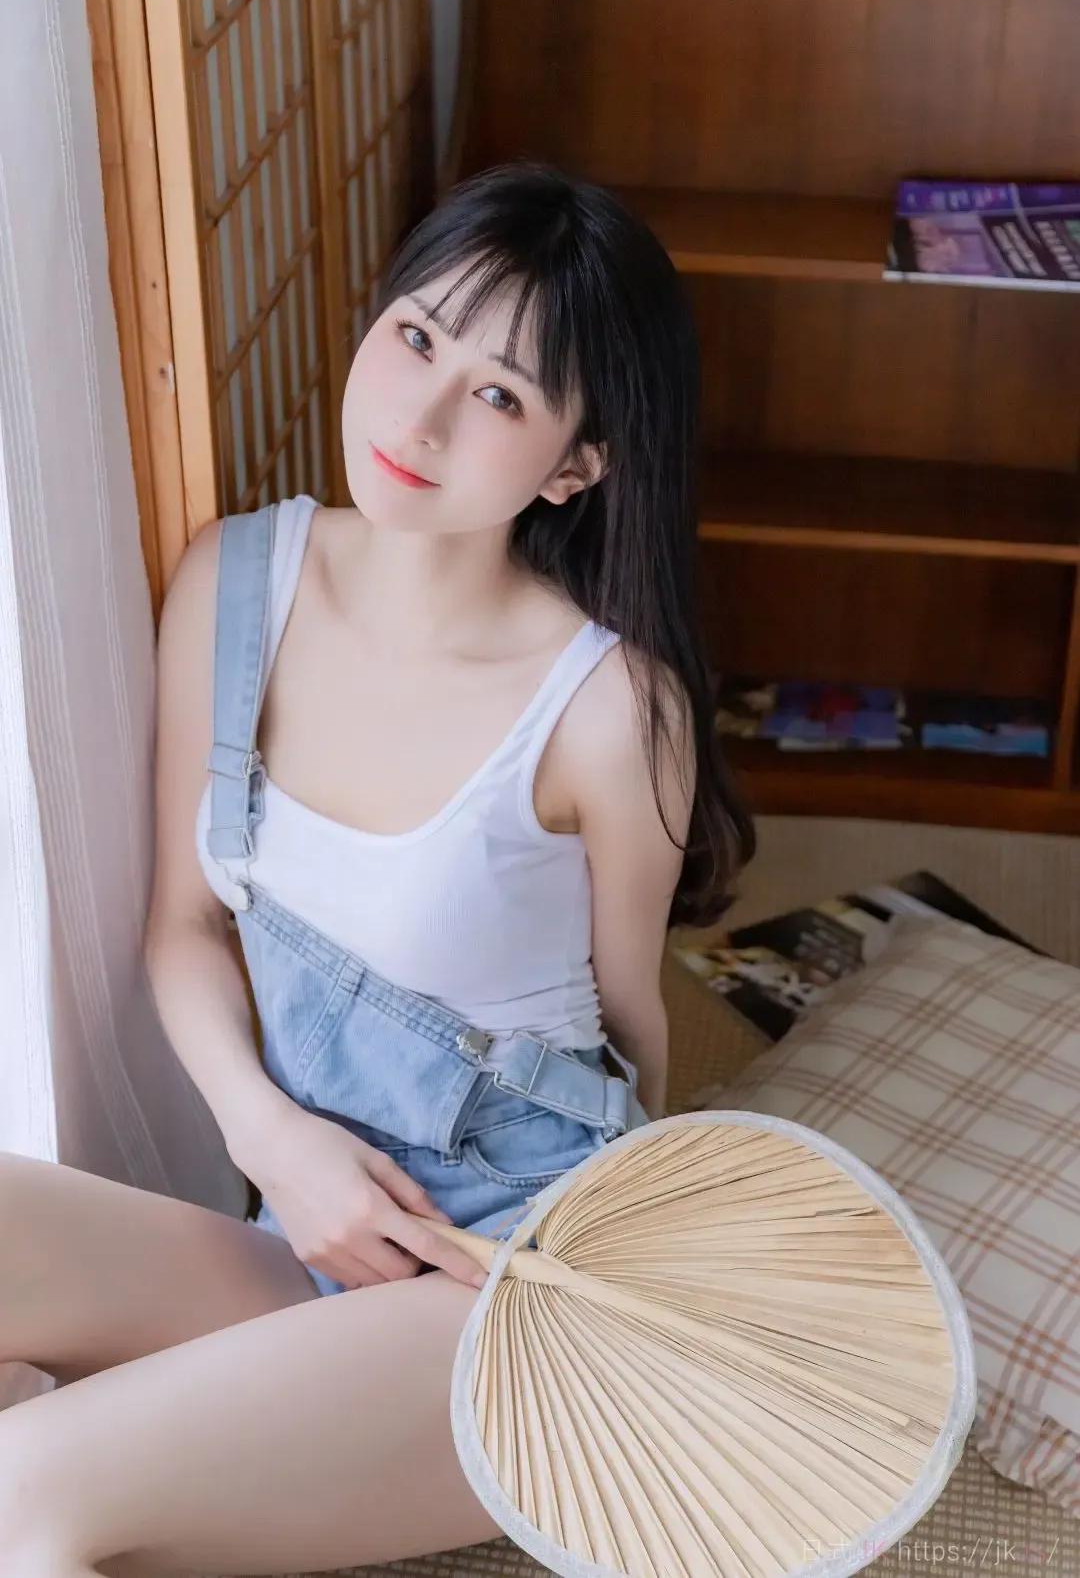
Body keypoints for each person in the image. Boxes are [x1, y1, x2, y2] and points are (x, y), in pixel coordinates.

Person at [0, 160, 755, 1578]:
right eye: (416, 337)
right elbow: (183, 927)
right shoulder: (234, 578)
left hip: (513, 1281)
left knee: (22, 1498)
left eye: (500, 397)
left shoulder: (610, 709)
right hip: (307, 1221)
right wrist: (272, 1141)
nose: (418, 419)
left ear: (576, 464)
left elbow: (628, 1033)